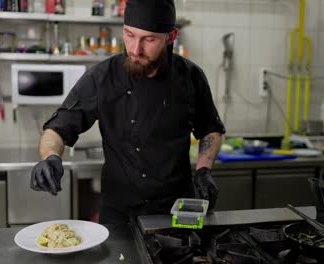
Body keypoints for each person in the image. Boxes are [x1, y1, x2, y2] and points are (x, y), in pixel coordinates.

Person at [30, 0, 226, 225]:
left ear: (170, 37)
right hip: (119, 212)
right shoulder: (102, 77)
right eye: (129, 35)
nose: (135, 49)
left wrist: (203, 170)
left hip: (176, 208)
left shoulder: (191, 77)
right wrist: (50, 157)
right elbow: (58, 128)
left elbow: (210, 128)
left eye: (149, 39)